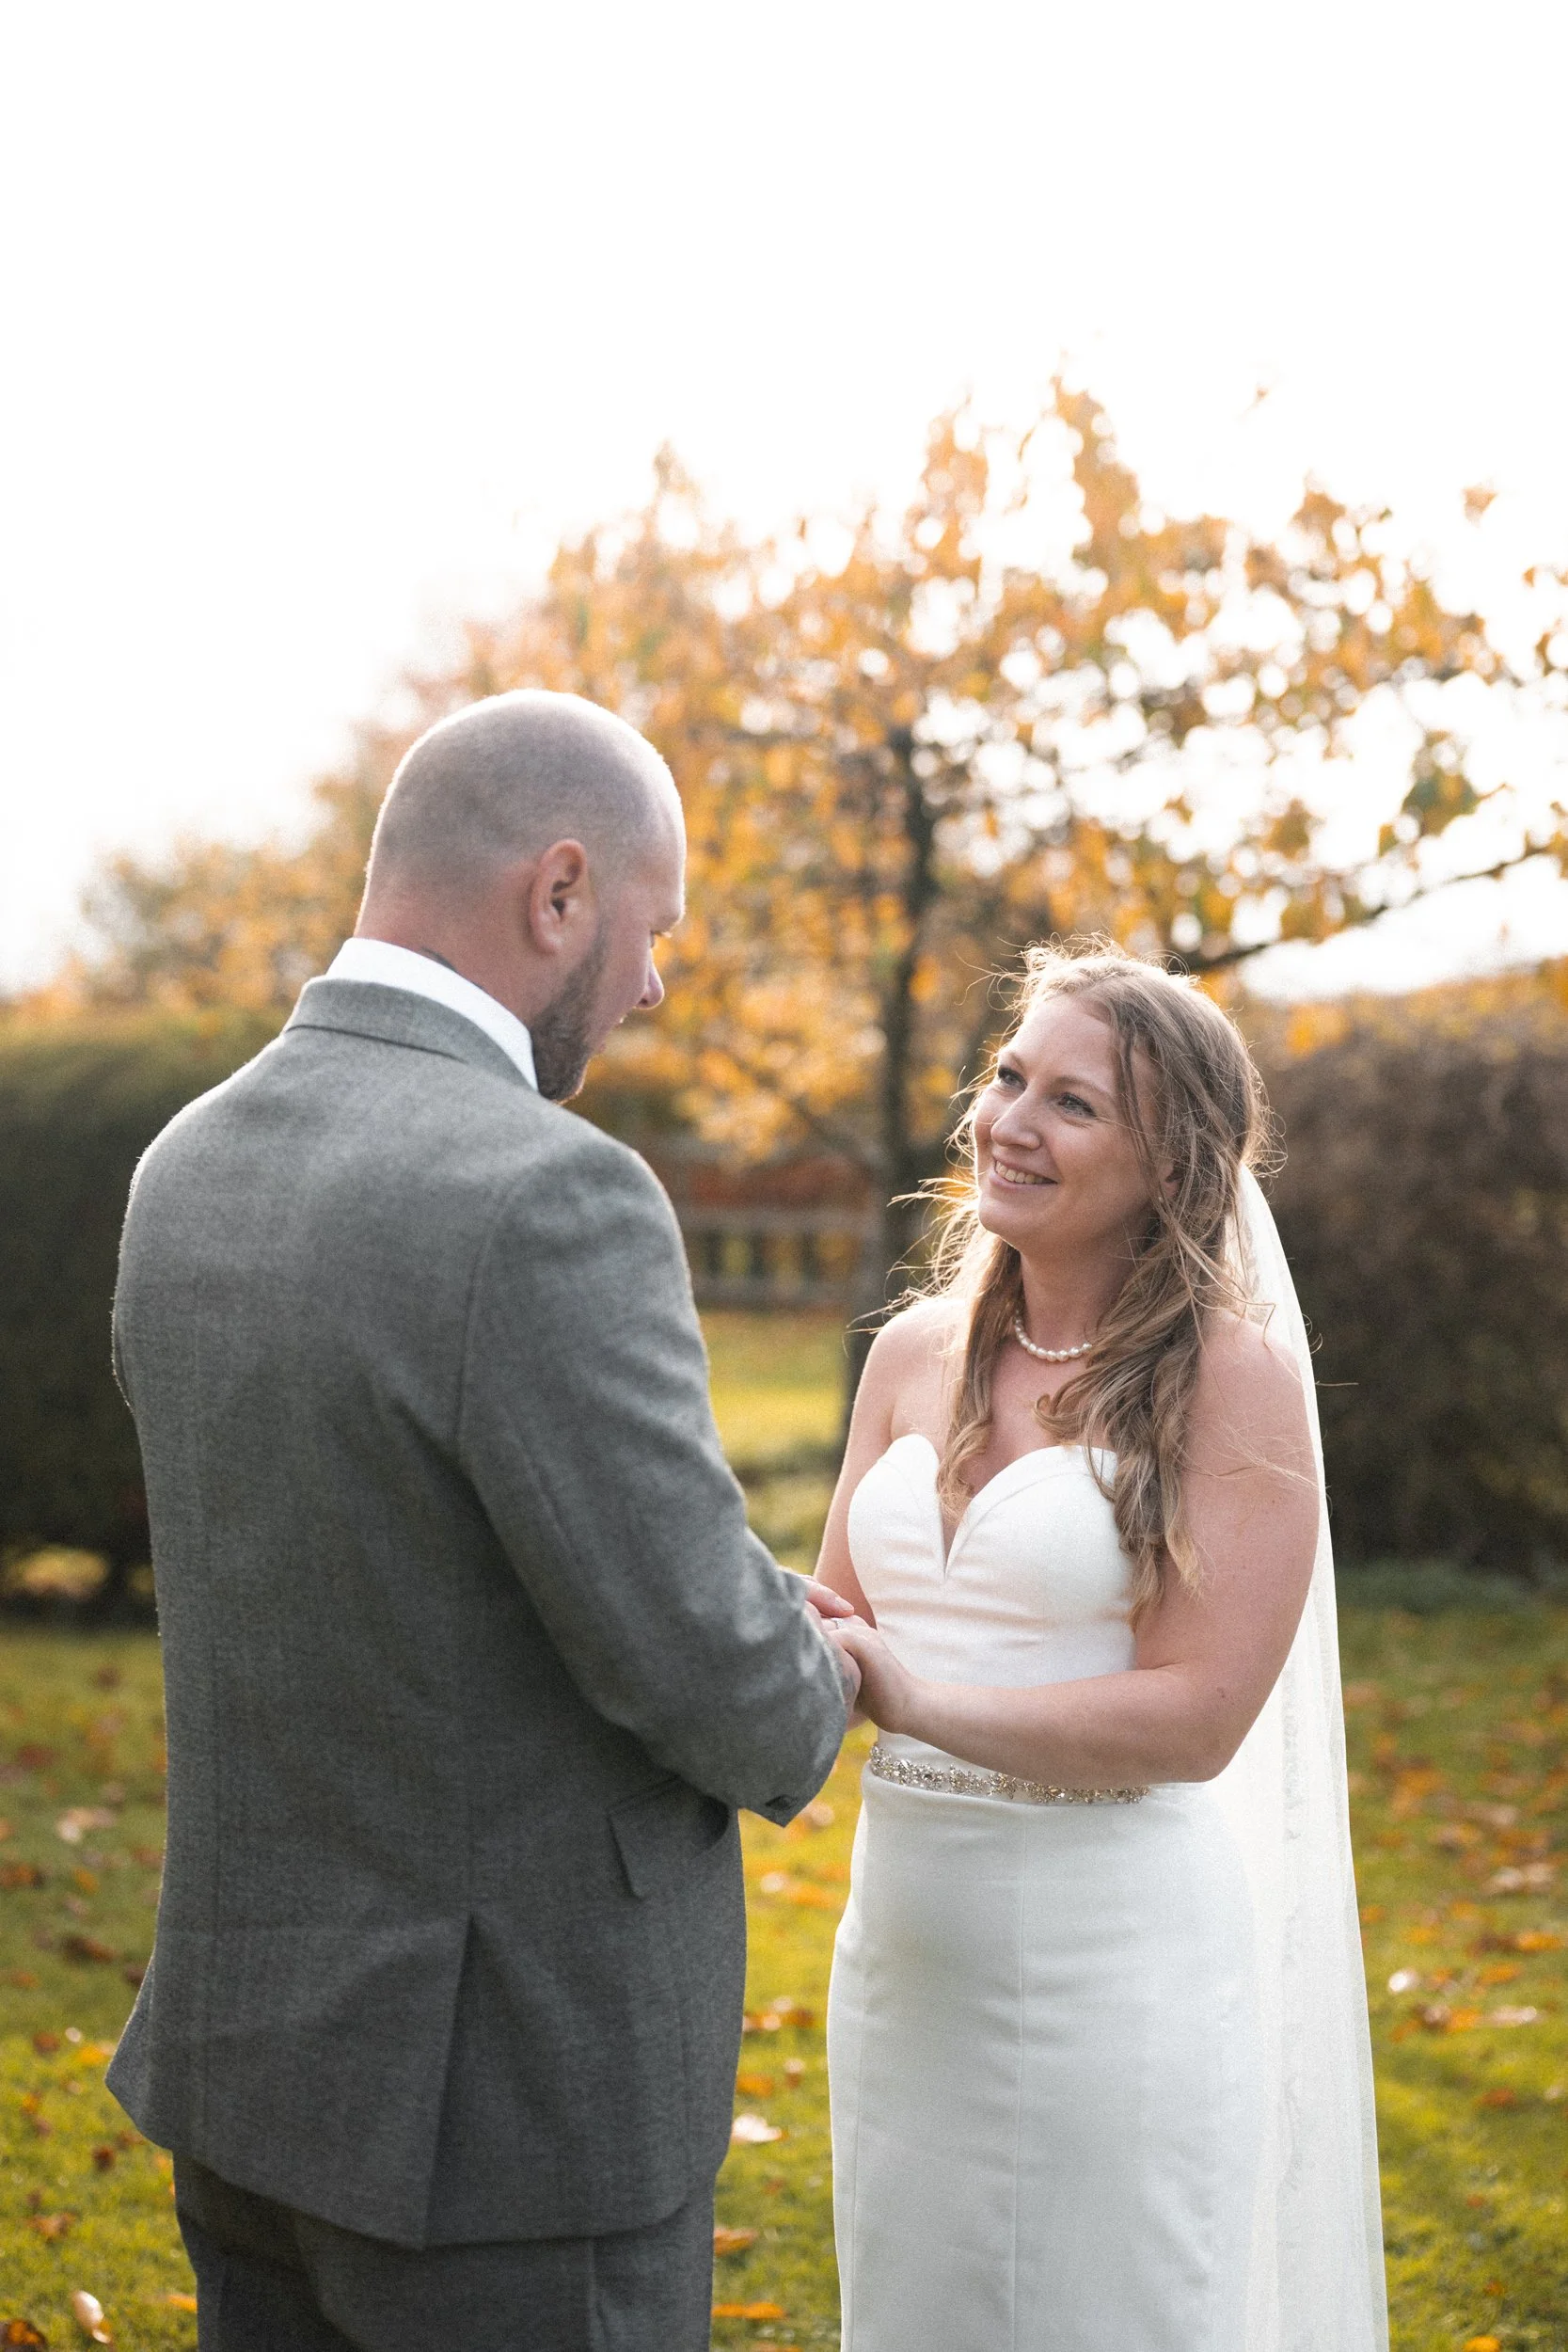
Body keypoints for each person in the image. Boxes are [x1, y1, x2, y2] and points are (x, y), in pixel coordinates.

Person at [106, 689, 858, 2352]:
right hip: (506, 2120)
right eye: (651, 929)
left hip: (248, 2064)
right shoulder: (547, 1193)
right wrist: (818, 1665)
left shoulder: (184, 1169)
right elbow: (702, 1665)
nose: (653, 981)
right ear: (561, 891)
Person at [817, 943, 1387, 2352]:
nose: (1008, 1120)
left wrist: (920, 1698)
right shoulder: (906, 1357)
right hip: (906, 1958)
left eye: (1072, 1104)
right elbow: (834, 1630)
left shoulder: (1229, 1376)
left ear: (1170, 1165)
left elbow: (1195, 1716)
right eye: (1009, 1076)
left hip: (1114, 1966)